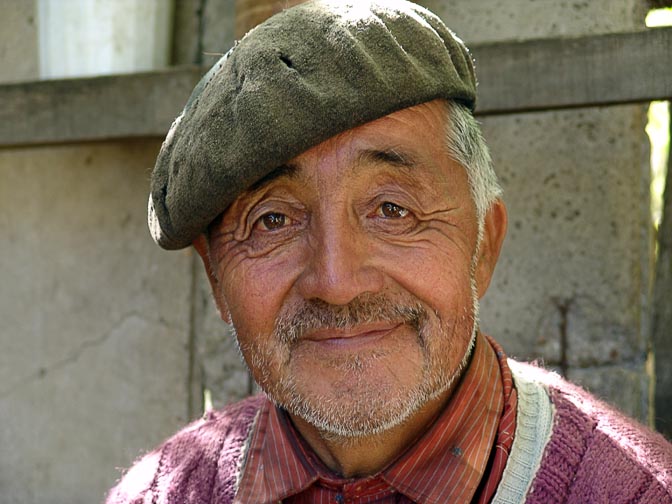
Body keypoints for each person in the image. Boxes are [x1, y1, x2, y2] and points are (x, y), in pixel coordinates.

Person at [106, 1, 672, 502]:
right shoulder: (163, 494)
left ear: (483, 246)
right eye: (273, 220)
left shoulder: (633, 492)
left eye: (393, 210)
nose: (337, 281)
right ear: (216, 282)